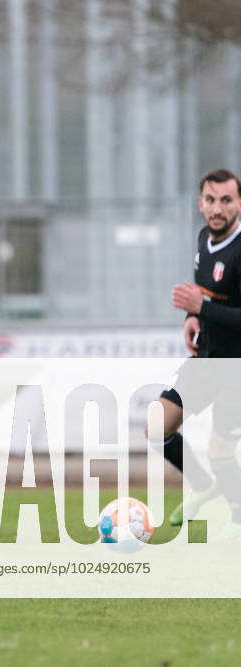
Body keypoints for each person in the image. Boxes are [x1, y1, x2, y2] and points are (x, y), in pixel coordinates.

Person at [157, 168, 241, 539]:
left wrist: (201, 308)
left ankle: (238, 519)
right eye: (210, 199)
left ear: (239, 203)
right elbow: (206, 296)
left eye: (226, 200)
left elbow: (212, 304)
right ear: (200, 202)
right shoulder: (203, 238)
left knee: (220, 447)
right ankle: (202, 484)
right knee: (156, 424)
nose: (217, 208)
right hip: (206, 359)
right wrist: (194, 316)